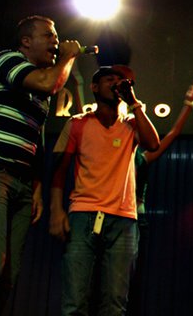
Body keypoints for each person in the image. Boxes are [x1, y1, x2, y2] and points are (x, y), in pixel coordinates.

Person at [0, 15, 81, 315]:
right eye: (49, 35)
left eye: (56, 37)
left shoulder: (41, 89)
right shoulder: (7, 60)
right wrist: (69, 57)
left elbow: (35, 139)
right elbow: (50, 83)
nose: (56, 41)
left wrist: (36, 188)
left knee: (7, 277)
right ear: (26, 41)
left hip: (20, 181)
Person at [49, 64, 160, 316]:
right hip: (83, 215)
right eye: (109, 79)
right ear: (94, 87)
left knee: (115, 302)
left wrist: (134, 103)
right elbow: (58, 170)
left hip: (123, 219)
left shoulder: (131, 124)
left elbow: (153, 144)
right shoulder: (77, 123)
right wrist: (56, 211)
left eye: (120, 81)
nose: (115, 84)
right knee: (75, 300)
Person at [127, 78, 193, 316]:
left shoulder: (142, 158)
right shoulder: (114, 152)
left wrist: (189, 102)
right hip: (113, 216)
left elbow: (173, 133)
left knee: (129, 274)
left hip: (135, 218)